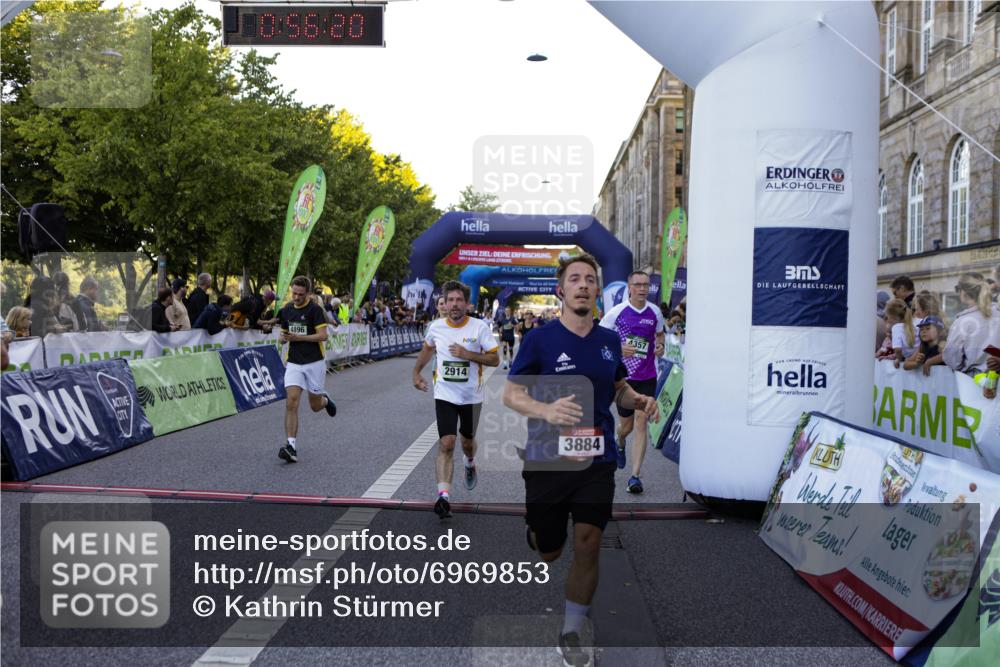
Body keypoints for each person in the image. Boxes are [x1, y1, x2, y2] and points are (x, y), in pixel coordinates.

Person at [502, 254, 660, 665]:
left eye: (590, 279)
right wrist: (546, 410)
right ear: (561, 290)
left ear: (597, 290)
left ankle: (572, 631)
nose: (584, 285)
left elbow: (619, 387)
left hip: (597, 457)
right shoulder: (539, 340)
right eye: (575, 279)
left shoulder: (608, 340)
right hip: (548, 459)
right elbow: (512, 394)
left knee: (589, 542)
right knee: (550, 551)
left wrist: (638, 400)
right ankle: (539, 533)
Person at [412, 280, 499, 519]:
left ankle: (469, 462)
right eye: (450, 300)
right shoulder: (436, 327)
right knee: (447, 442)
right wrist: (416, 372)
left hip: (471, 396)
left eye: (459, 300)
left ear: (467, 304)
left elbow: (495, 360)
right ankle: (443, 497)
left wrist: (468, 354)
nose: (454, 304)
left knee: (467, 442)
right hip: (445, 394)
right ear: (445, 303)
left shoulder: (479, 327)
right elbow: (427, 349)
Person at [597, 270, 665, 493]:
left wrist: (660, 346)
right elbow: (599, 340)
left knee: (641, 422)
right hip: (624, 379)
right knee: (626, 427)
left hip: (647, 376)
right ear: (630, 287)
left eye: (646, 285)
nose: (643, 289)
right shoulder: (616, 312)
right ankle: (620, 439)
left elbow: (660, 335)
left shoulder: (655, 312)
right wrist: (618, 348)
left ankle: (635, 476)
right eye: (638, 285)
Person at [277, 275, 337, 463]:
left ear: (308, 294)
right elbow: (283, 333)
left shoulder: (315, 310)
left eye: (300, 295)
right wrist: (283, 338)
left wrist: (300, 338)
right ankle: (291, 446)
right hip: (294, 362)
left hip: (314, 362)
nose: (296, 297)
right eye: (294, 293)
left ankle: (325, 401)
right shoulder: (287, 309)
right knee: (291, 402)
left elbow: (323, 336)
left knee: (314, 406)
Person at [943, 273, 1000, 375]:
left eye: (957, 289)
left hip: (974, 378)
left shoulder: (962, 322)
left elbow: (952, 360)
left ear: (964, 292)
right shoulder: (998, 312)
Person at [885, 298, 917, 367]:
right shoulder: (916, 322)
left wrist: (899, 359)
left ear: (892, 318)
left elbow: (898, 350)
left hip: (908, 361)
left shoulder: (896, 328)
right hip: (919, 357)